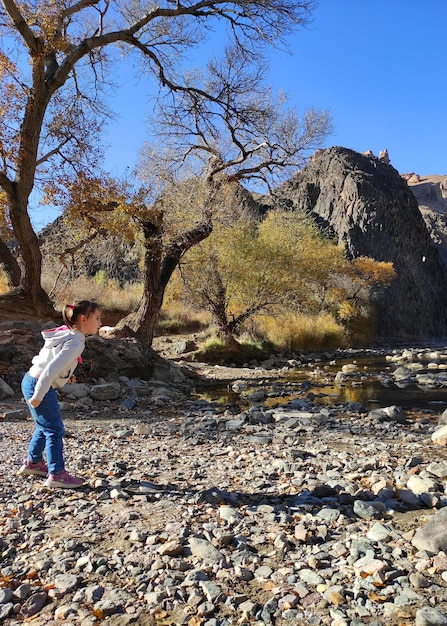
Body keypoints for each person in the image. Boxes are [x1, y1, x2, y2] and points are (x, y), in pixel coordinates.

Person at [19, 300, 102, 489]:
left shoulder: (68, 334)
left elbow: (52, 361)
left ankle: (33, 463)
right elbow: (50, 369)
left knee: (44, 425)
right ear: (83, 319)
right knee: (54, 430)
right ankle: (57, 474)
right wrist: (39, 395)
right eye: (97, 318)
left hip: (31, 380)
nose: (100, 323)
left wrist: (65, 376)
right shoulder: (75, 342)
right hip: (40, 385)